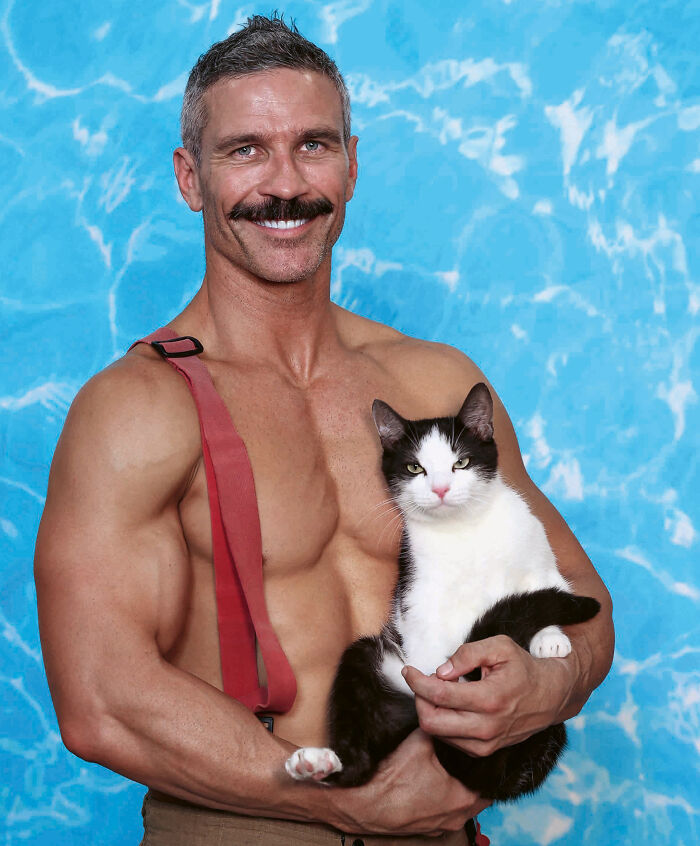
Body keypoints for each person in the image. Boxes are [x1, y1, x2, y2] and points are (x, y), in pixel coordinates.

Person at [34, 14, 614, 846]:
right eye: (245, 150)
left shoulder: (433, 384)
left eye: (313, 144)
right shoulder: (137, 408)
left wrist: (547, 686)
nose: (285, 183)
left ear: (351, 164)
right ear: (190, 177)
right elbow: (100, 701)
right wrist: (338, 802)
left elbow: (583, 601)